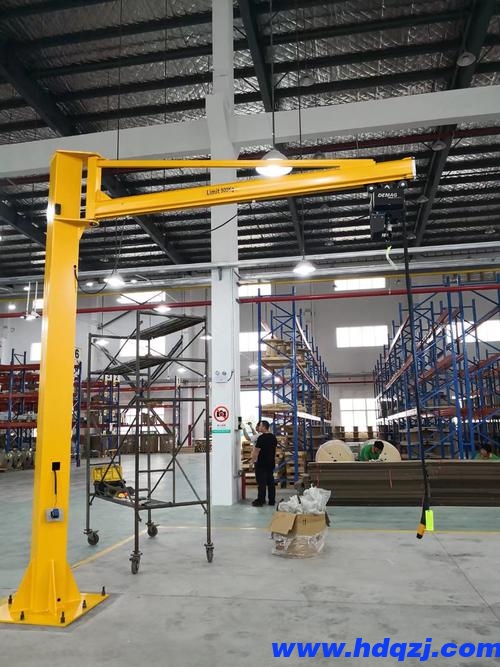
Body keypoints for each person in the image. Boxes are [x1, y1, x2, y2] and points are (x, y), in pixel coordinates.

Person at [250, 420, 277, 507]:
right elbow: (274, 450)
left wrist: (252, 462)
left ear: (264, 427)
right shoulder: (273, 437)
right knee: (271, 483)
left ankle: (260, 501)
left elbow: (256, 451)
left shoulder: (261, 438)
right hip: (271, 463)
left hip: (261, 464)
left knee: (261, 483)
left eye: (260, 426)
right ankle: (272, 501)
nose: (259, 427)